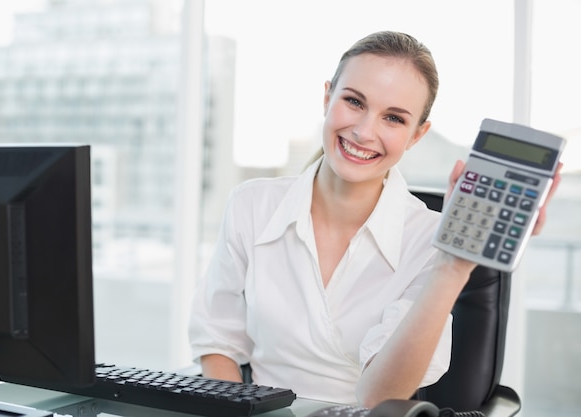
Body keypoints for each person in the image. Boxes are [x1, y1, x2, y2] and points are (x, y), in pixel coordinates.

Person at [188, 30, 561, 408]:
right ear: (327, 97)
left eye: (394, 119)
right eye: (353, 101)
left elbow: (380, 399)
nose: (365, 132)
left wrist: (452, 266)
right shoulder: (252, 205)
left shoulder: (429, 240)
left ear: (417, 135)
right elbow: (218, 342)